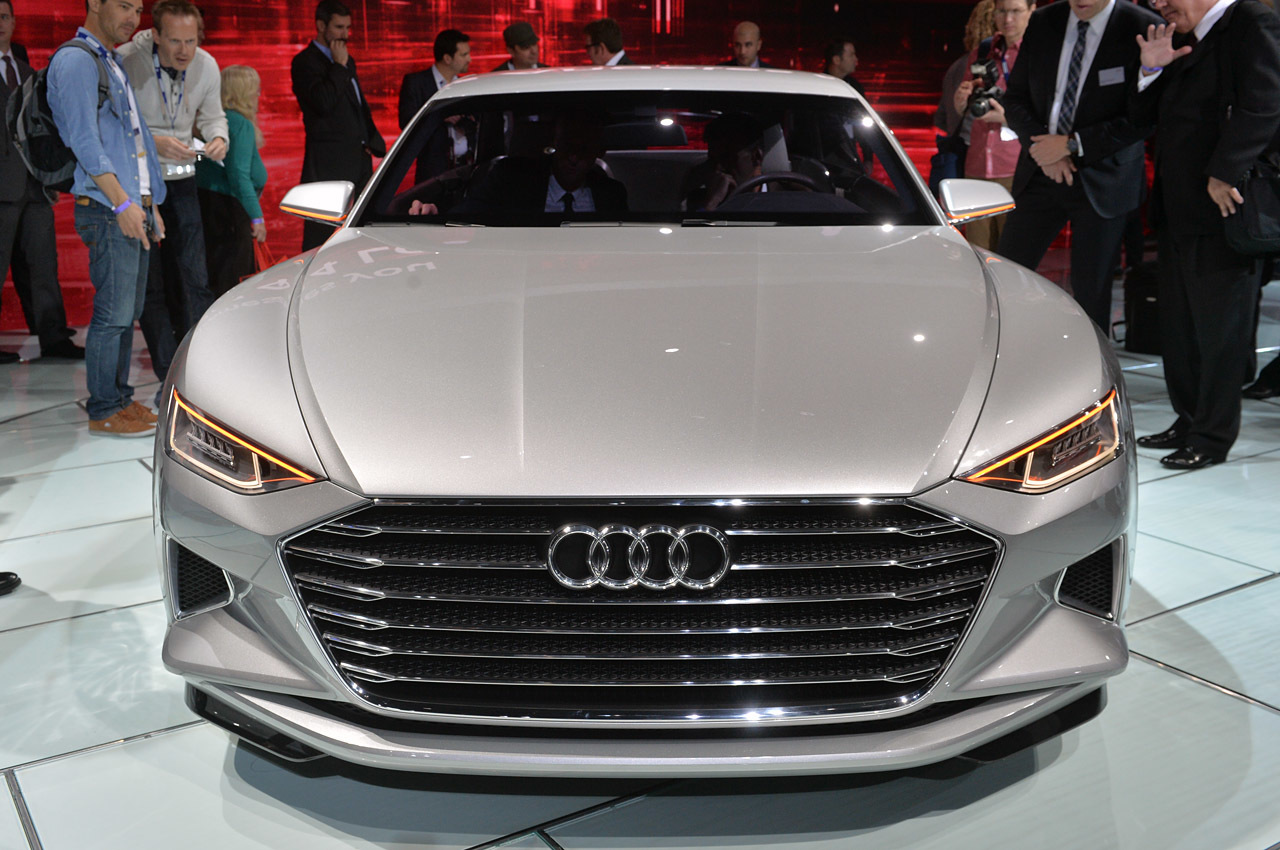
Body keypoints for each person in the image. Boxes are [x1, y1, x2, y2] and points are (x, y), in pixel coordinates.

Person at [1132, 0, 1280, 469]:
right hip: (1177, 209)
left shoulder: (1252, 20)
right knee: (1180, 330)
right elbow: (1147, 120)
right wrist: (1151, 71)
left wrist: (1226, 170)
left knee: (1221, 334)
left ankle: (1212, 437)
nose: (1158, 5)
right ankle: (1189, 418)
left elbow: (1266, 103)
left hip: (1225, 208)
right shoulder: (1181, 39)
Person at [997, 0, 1161, 331]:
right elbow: (1014, 99)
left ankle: (1094, 361)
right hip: (1041, 170)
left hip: (1104, 178)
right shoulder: (1045, 21)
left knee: (1092, 292)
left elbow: (1143, 118)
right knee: (1005, 274)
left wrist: (1072, 145)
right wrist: (1044, 148)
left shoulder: (1143, 27)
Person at [48, 0, 166, 437]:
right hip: (107, 207)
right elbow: (84, 141)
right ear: (95, 3)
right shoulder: (77, 60)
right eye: (123, 5)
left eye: (138, 9)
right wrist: (121, 204)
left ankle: (119, 398)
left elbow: (135, 141)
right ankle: (103, 407)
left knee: (126, 312)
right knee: (113, 314)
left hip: (131, 205)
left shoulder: (110, 61)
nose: (133, 18)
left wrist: (150, 203)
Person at [118, 0, 226, 387]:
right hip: (139, 182)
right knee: (151, 282)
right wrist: (154, 142)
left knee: (195, 274)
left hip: (183, 180)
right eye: (175, 41)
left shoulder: (206, 65)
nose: (184, 50)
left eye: (191, 41)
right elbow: (115, 125)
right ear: (156, 35)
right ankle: (167, 370)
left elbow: (213, 115)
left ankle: (201, 366)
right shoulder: (126, 61)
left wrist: (218, 138)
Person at [0, 0, 83, 365]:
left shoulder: (26, 70)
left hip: (34, 185)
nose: (0, 23)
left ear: (13, 21)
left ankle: (53, 338)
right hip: (2, 187)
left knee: (43, 265)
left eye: (4, 16)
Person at [291, 0, 385, 252]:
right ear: (321, 26)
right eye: (339, 27)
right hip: (328, 163)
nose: (345, 34)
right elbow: (323, 102)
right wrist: (338, 67)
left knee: (364, 229)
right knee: (320, 237)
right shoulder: (305, 62)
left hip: (359, 158)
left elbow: (357, 104)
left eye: (348, 27)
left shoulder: (346, 60)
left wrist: (370, 140)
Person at [421, 111, 628, 217]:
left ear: (599, 151)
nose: (573, 157)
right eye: (567, 146)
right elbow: (467, 214)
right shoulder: (512, 181)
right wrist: (434, 213)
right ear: (555, 142)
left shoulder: (611, 195)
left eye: (583, 149)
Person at [952, 0, 1035, 250]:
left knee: (1012, 253)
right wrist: (960, 101)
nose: (1007, 19)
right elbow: (965, 107)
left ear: (1031, 10)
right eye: (1002, 11)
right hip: (977, 165)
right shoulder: (985, 50)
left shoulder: (1038, 53)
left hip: (1015, 167)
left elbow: (1047, 113)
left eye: (1015, 11)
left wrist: (1007, 118)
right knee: (977, 251)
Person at [197, 64, 266, 296]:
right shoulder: (239, 124)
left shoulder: (214, 122)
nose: (258, 94)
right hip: (229, 212)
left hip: (211, 207)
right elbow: (239, 176)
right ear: (242, 92)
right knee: (233, 279)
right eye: (254, 88)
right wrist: (257, 217)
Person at [399, 29, 471, 183]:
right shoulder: (417, 83)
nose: (469, 59)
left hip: (466, 168)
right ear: (447, 58)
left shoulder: (466, 85)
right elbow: (406, 121)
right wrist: (440, 114)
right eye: (464, 55)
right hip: (432, 171)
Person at [682, 113, 764, 212]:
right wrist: (712, 203)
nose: (718, 167)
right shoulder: (700, 198)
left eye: (727, 157)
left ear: (757, 157)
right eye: (712, 159)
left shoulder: (779, 194)